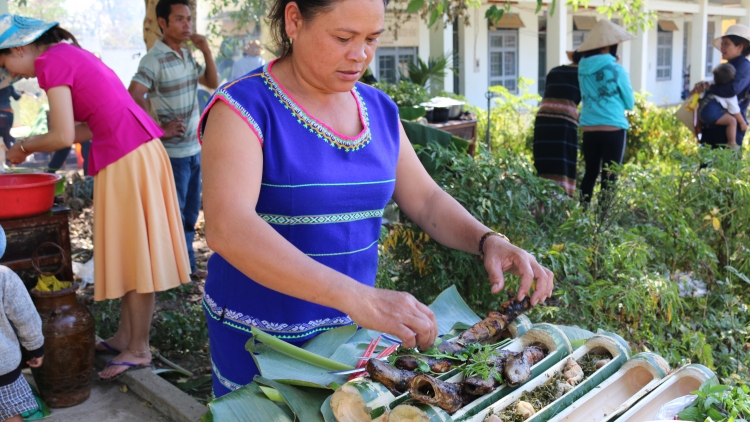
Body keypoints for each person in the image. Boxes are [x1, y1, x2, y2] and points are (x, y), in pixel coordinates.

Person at [199, 0, 555, 397]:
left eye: (372, 39)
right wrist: (357, 298)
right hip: (261, 341)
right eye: (343, 38)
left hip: (351, 340)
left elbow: (425, 200)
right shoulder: (243, 108)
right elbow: (228, 227)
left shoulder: (378, 109)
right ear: (295, 20)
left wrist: (489, 240)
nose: (360, 54)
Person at [2, 14, 191, 381]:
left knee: (137, 254)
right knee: (132, 250)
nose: (12, 74)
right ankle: (126, 337)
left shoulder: (50, 62)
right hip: (134, 151)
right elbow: (90, 124)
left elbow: (60, 136)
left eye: (5, 62)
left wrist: (22, 147)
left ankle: (139, 349)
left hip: (128, 156)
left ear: (21, 47)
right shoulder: (70, 55)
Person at [129, 0, 219, 280]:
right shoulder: (153, 59)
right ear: (162, 23)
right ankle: (176, 271)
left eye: (189, 20)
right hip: (172, 154)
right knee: (175, 214)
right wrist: (157, 128)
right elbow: (134, 93)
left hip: (194, 149)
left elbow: (212, 83)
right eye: (179, 20)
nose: (186, 25)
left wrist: (205, 50)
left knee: (191, 213)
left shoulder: (187, 54)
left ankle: (185, 266)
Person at [576, 19, 635, 204]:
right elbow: (629, 103)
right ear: (608, 46)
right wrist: (615, 65)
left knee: (590, 173)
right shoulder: (617, 69)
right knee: (610, 177)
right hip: (613, 127)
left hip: (589, 128)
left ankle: (582, 214)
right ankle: (603, 220)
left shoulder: (582, 69)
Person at [0, 225, 44, 422]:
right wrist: (36, 348)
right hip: (3, 366)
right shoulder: (4, 277)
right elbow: (26, 317)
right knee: (10, 411)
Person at [532, 50, 583, 198]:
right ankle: (562, 203)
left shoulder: (555, 71)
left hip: (543, 120)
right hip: (565, 122)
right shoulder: (584, 75)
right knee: (563, 164)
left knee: (544, 162)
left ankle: (542, 202)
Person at [692, 24, 750, 150]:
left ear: (740, 47)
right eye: (722, 44)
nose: (722, 48)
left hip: (727, 131)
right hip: (713, 126)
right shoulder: (728, 66)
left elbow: (731, 90)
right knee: (706, 168)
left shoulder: (745, 66)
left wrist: (708, 87)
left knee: (723, 168)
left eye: (726, 44)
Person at [698, 64, 747, 151]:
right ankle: (731, 143)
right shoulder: (729, 94)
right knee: (732, 121)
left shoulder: (711, 85)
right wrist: (742, 122)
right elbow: (735, 110)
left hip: (701, 112)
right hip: (709, 114)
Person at [0, 80, 20, 151]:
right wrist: (19, 92)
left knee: (4, 134)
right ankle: (13, 148)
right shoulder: (8, 84)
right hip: (8, 112)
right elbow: (17, 97)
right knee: (6, 134)